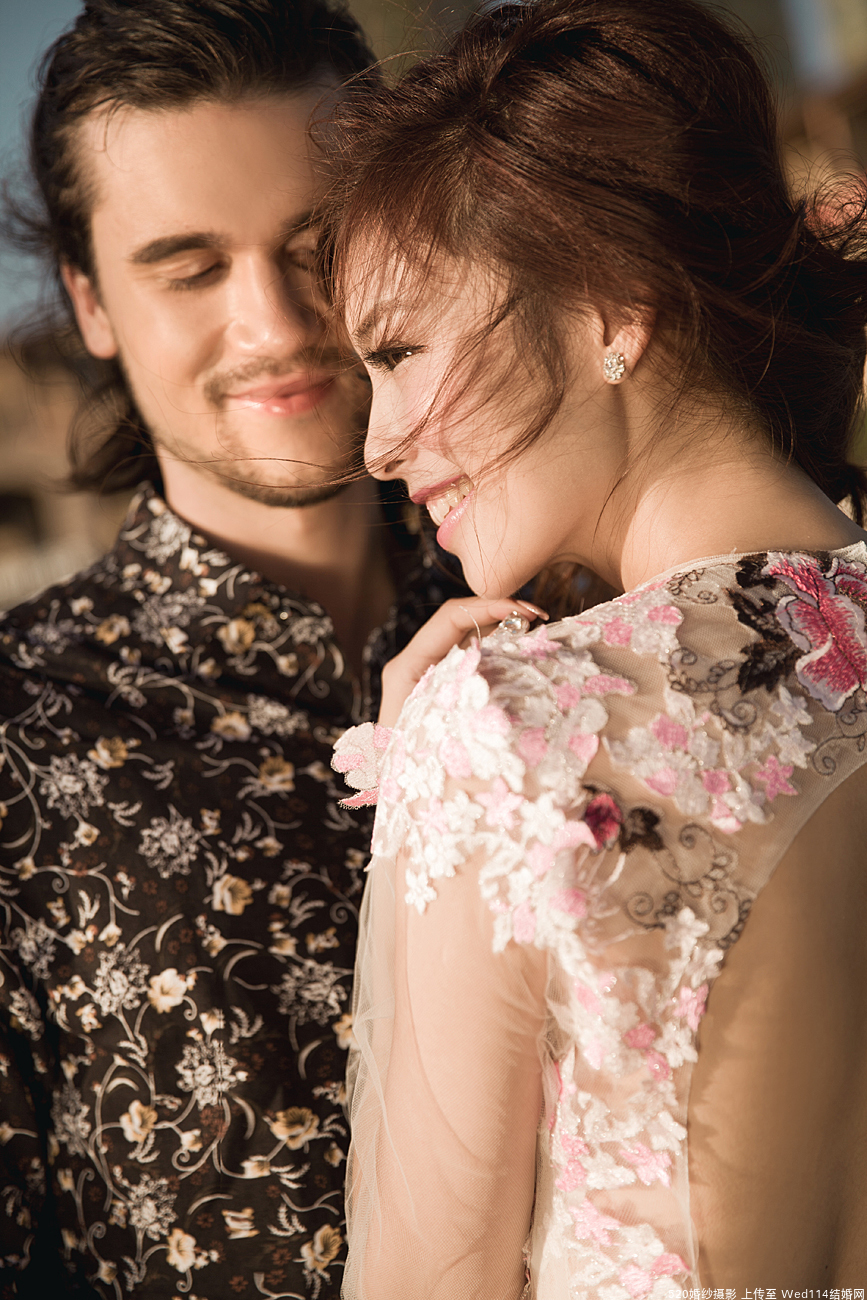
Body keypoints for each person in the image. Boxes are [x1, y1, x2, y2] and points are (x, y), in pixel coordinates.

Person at [324, 0, 867, 1292]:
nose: (377, 445)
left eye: (400, 350)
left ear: (612, 305)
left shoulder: (514, 736)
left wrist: (438, 774)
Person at [0, 2, 465, 1296]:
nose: (274, 323)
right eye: (190, 267)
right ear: (89, 299)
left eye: (318, 245)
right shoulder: (18, 737)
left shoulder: (594, 609)